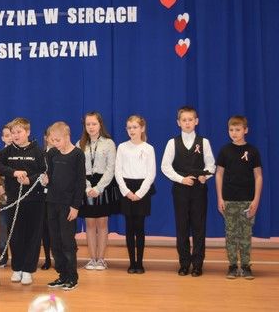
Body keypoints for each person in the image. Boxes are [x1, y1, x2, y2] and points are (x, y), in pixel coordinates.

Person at [161, 106, 215, 277]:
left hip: (199, 190)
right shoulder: (172, 142)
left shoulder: (204, 142)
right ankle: (184, 263)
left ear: (196, 121)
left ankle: (197, 264)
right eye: (184, 120)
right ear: (178, 122)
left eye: (190, 119)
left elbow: (211, 165)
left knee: (199, 227)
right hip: (180, 190)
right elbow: (165, 166)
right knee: (182, 227)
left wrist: (206, 176)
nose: (187, 123)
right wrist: (181, 179)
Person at [0, 117, 46, 286]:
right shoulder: (7, 151)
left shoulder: (38, 151)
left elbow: (45, 172)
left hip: (35, 200)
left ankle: (28, 270)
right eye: (13, 132)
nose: (15, 135)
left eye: (19, 132)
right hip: (14, 200)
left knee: (32, 236)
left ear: (27, 132)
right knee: (15, 235)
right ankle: (17, 268)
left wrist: (30, 180)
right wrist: (13, 172)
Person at [215, 115, 263, 279]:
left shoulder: (253, 151)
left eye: (238, 129)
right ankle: (233, 265)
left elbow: (258, 176)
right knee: (231, 235)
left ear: (245, 130)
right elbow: (219, 174)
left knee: (245, 235)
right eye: (231, 130)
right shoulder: (225, 150)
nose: (234, 133)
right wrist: (220, 198)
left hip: (247, 201)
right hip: (229, 200)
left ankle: (246, 266)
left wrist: (256, 200)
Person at [44, 122, 86, 291]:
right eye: (52, 140)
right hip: (52, 203)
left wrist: (75, 206)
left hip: (68, 205)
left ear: (67, 137)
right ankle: (62, 275)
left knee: (67, 241)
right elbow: (49, 176)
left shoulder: (77, 155)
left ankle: (72, 277)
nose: (55, 143)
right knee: (55, 240)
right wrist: (45, 180)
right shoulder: (52, 153)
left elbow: (80, 182)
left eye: (58, 140)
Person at [76, 111, 119, 271]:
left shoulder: (109, 143)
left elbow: (111, 168)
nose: (91, 127)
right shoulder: (79, 144)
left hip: (103, 185)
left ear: (100, 124)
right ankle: (92, 259)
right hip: (86, 185)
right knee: (89, 223)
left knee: (101, 223)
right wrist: (87, 187)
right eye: (88, 124)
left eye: (94, 124)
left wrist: (99, 188)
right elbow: (78, 169)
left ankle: (101, 259)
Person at [114, 115, 156, 274]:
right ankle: (132, 262)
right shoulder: (122, 147)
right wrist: (126, 192)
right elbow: (118, 171)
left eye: (135, 127)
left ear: (142, 128)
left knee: (140, 227)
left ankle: (140, 262)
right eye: (129, 127)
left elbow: (151, 173)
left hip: (142, 189)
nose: (132, 130)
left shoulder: (148, 148)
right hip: (126, 188)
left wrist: (139, 193)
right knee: (129, 227)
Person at [0, 124, 12, 267]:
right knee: (2, 228)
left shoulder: (21, 154)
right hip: (2, 198)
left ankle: (19, 257)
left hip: (18, 197)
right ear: (2, 138)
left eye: (12, 134)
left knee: (17, 228)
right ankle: (2, 256)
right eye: (6, 135)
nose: (10, 138)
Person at [40, 128, 53, 270]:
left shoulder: (62, 153)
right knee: (45, 229)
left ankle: (61, 257)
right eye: (50, 136)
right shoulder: (41, 154)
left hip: (58, 196)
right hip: (43, 196)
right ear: (46, 137)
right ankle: (47, 258)